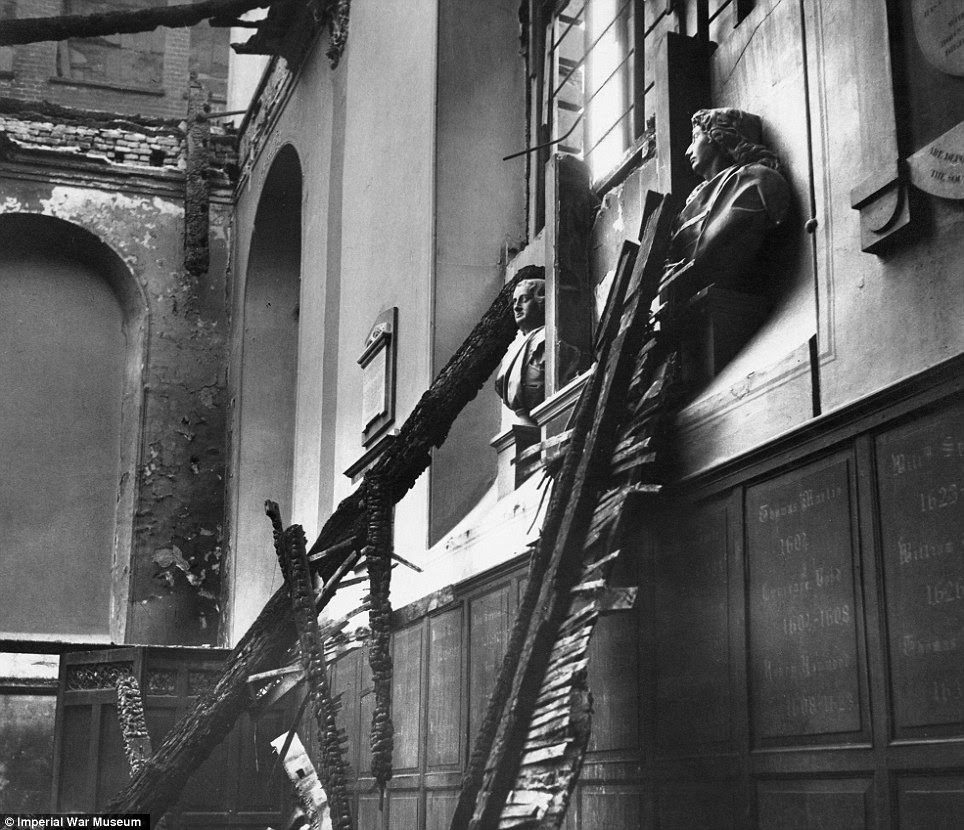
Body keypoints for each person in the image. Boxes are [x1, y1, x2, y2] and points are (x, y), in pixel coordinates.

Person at [660, 108, 790, 305]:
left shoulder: (755, 182)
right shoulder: (691, 206)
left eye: (695, 138)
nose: (688, 151)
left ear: (716, 135)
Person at [495, 270, 546, 422]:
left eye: (524, 300)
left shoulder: (548, 340)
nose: (516, 307)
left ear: (541, 302)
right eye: (515, 301)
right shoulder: (512, 352)